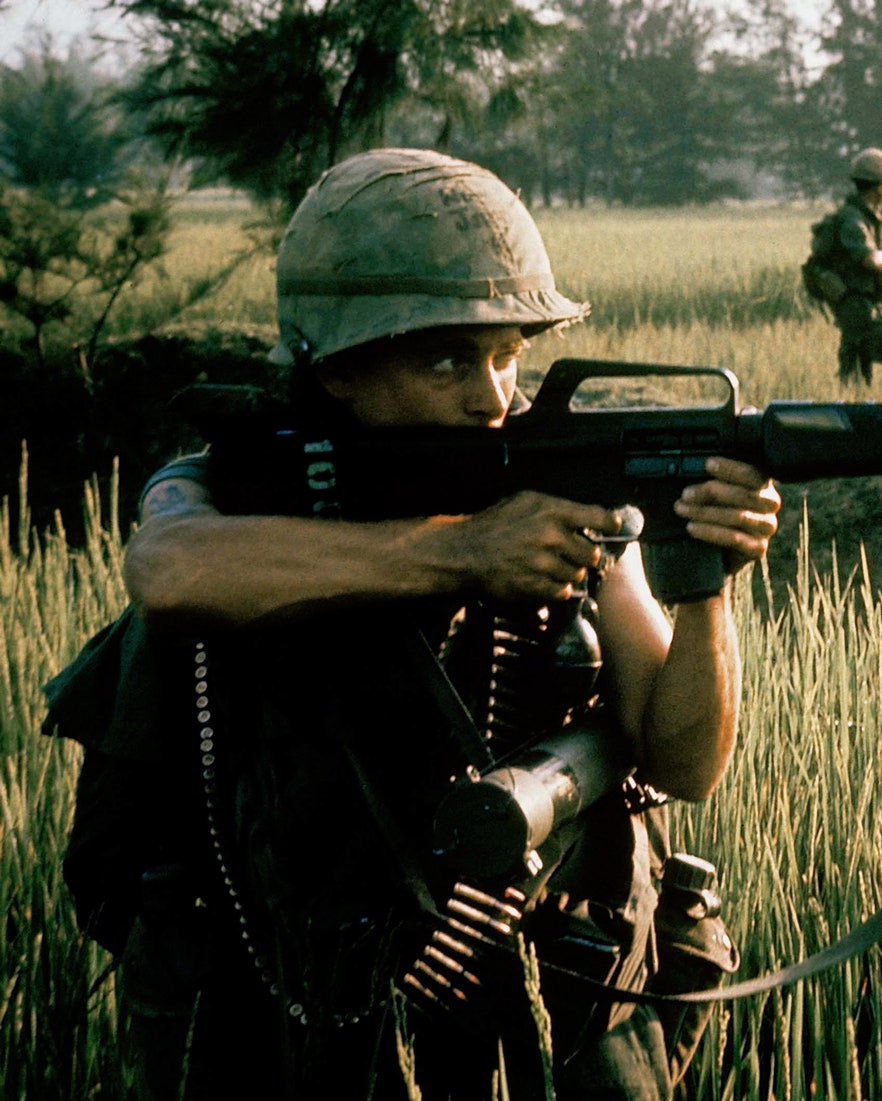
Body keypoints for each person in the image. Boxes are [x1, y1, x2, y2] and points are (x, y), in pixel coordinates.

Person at [47, 148, 781, 1100]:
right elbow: (170, 567)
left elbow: (685, 764)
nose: (492, 397)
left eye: (509, 354)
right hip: (298, 998)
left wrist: (706, 581)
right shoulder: (234, 479)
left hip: (537, 999)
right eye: (446, 361)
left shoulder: (558, 489)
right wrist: (466, 550)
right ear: (337, 372)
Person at [806, 147, 882, 386]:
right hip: (860, 310)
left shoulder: (866, 218)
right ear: (879, 186)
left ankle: (866, 417)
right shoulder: (853, 221)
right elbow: (870, 259)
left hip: (860, 308)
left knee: (855, 383)